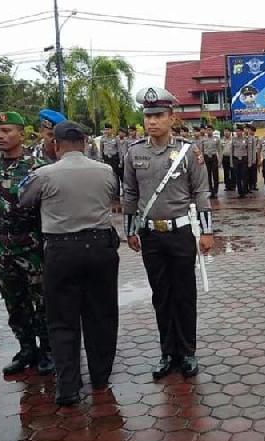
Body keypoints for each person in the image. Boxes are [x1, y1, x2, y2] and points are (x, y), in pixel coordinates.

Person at [19, 120, 119, 406]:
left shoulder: (43, 174)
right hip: (101, 247)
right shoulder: (106, 171)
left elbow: (24, 201)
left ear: (55, 144)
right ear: (86, 143)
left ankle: (68, 387)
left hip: (61, 251)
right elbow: (111, 195)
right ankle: (100, 378)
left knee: (62, 320)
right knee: (101, 315)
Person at [124, 87, 214, 379]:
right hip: (150, 236)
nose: (152, 121)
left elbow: (201, 191)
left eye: (159, 115)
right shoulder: (134, 152)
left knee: (184, 294)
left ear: (171, 117)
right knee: (160, 295)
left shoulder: (188, 151)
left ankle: (187, 352)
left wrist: (207, 231)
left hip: (180, 233)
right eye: (148, 115)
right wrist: (130, 231)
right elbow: (130, 193)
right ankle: (167, 353)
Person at [0, 112, 53, 376]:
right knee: (14, 303)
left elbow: (49, 208)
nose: (0, 136)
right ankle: (26, 348)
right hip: (2, 250)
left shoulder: (38, 166)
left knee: (41, 302)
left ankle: (47, 351)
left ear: (21, 133)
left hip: (33, 249)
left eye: (6, 131)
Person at [100, 123, 122, 198]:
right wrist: (101, 159)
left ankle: (117, 194)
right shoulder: (102, 139)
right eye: (105, 129)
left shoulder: (116, 138)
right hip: (106, 159)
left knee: (115, 176)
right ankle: (109, 193)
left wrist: (121, 161)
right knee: (107, 176)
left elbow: (119, 150)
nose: (106, 131)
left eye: (108, 129)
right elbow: (101, 150)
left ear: (111, 130)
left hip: (114, 159)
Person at [202, 126, 221, 199]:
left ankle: (215, 191)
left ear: (213, 131)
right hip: (206, 158)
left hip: (214, 157)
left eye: (210, 130)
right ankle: (210, 191)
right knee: (208, 175)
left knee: (215, 175)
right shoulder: (203, 139)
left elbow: (219, 150)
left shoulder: (217, 139)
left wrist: (220, 160)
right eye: (207, 130)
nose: (209, 131)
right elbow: (202, 150)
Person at [232, 125, 249, 198]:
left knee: (244, 176)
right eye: (237, 131)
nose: (238, 132)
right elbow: (231, 150)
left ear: (242, 131)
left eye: (239, 131)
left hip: (244, 159)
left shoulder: (246, 139)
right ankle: (240, 192)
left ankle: (244, 191)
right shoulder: (233, 139)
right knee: (237, 176)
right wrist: (231, 161)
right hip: (236, 159)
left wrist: (250, 160)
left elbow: (249, 150)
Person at [220, 127, 234, 191]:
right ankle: (227, 185)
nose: (226, 132)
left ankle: (233, 185)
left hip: (232, 158)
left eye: (227, 131)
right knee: (226, 172)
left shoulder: (233, 140)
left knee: (232, 172)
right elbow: (220, 150)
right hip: (224, 158)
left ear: (230, 132)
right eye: (225, 131)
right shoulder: (222, 140)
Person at [247, 125, 259, 192]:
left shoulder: (256, 138)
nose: (251, 132)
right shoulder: (246, 138)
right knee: (248, 172)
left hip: (255, 155)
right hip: (248, 156)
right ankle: (249, 185)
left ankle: (254, 184)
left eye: (253, 131)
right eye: (250, 130)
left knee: (254, 172)